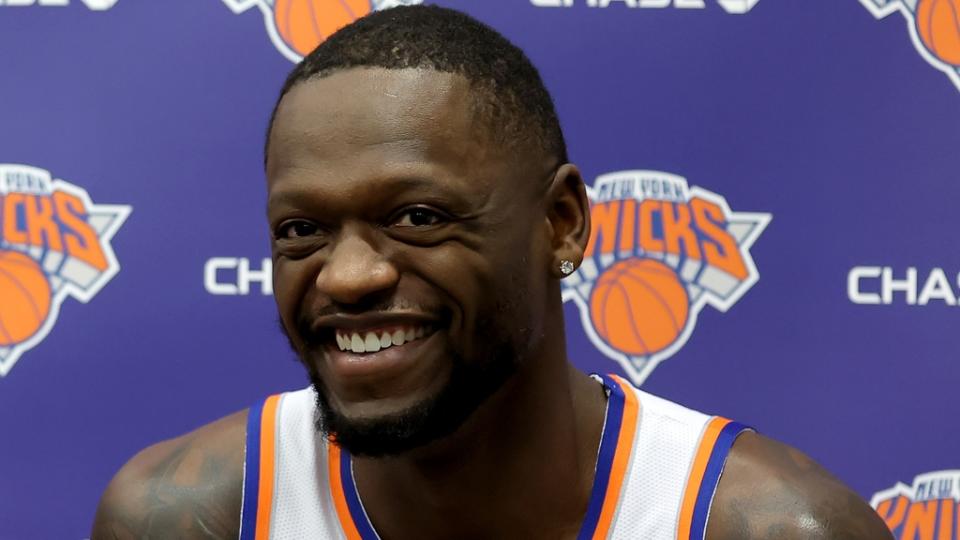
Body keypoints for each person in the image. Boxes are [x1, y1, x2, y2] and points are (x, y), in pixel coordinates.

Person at [92, 6, 893, 539]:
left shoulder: (764, 527)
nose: (347, 275)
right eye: (302, 231)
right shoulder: (190, 518)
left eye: (417, 218)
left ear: (562, 224)